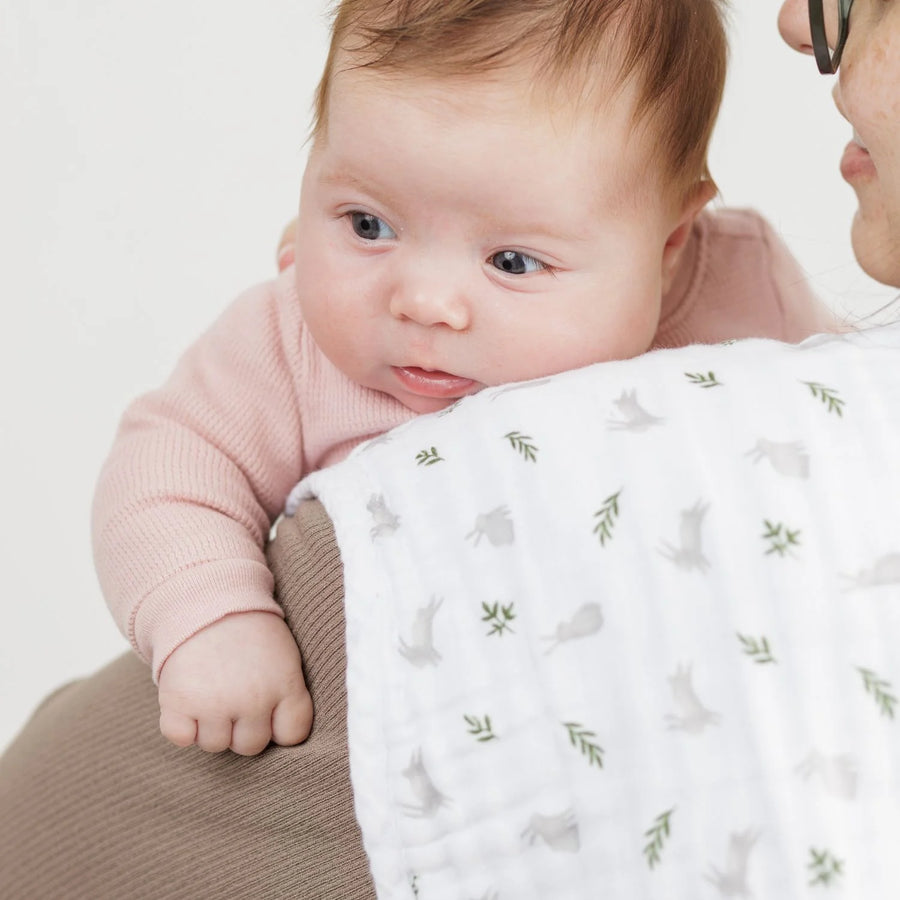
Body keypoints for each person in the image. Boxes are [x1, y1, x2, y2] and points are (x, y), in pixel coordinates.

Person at [2, 0, 898, 897]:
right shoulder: (294, 340)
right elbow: (173, 464)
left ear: (668, 245)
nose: (423, 301)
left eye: (512, 263)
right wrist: (209, 617)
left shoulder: (741, 291)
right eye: (366, 224)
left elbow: (835, 459)